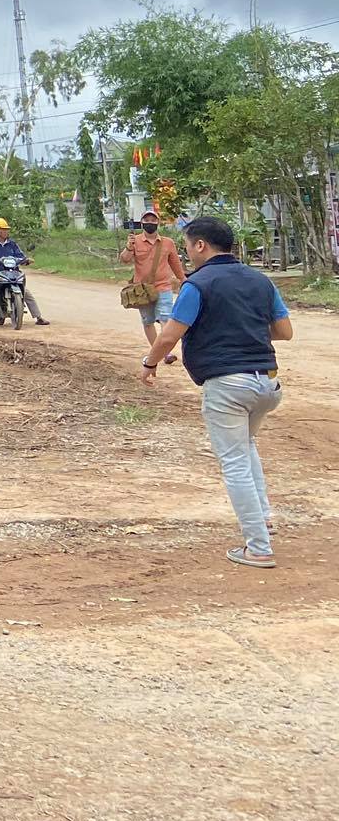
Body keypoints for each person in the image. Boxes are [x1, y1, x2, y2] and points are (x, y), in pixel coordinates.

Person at [139, 216, 290, 568]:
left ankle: (259, 547)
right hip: (266, 383)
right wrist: (243, 329)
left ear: (201, 245)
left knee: (234, 461)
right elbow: (284, 331)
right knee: (246, 446)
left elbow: (168, 336)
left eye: (189, 245)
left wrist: (149, 365)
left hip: (228, 386)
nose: (188, 252)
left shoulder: (198, 284)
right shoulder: (260, 281)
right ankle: (264, 516)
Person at [120, 208, 188, 359]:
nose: (150, 223)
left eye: (153, 220)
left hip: (163, 287)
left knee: (165, 318)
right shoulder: (134, 241)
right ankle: (160, 352)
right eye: (147, 221)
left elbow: (175, 264)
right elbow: (124, 259)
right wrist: (129, 247)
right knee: (148, 321)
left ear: (157, 223)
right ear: (142, 223)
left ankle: (165, 352)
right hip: (142, 290)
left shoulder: (168, 243)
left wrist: (184, 280)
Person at [0, 217, 48, 326]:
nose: (6, 231)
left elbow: (20, 255)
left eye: (7, 229)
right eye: (4, 229)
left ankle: (38, 317)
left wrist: (26, 260)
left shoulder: (12, 244)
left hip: (12, 273)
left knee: (27, 294)